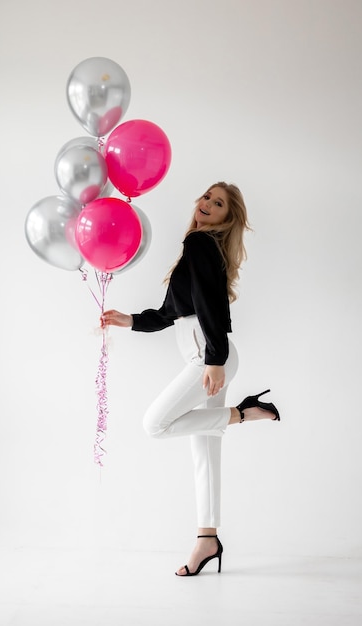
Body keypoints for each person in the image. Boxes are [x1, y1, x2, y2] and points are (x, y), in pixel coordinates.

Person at [101, 182, 280, 577]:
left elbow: (211, 307)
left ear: (226, 219)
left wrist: (214, 360)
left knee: (155, 424)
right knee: (205, 453)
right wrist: (128, 321)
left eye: (218, 204)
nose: (207, 205)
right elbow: (168, 315)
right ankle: (207, 538)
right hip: (209, 353)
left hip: (208, 355)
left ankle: (243, 413)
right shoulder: (198, 247)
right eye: (206, 197)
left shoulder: (201, 246)